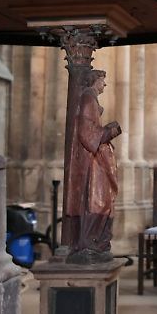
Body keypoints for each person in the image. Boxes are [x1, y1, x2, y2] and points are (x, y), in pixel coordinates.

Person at [64, 69, 122, 264]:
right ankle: (90, 244)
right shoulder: (88, 98)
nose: (104, 85)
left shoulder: (90, 98)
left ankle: (95, 244)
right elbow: (88, 135)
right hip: (92, 163)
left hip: (95, 160)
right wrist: (111, 131)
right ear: (95, 81)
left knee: (101, 201)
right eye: (102, 81)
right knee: (98, 201)